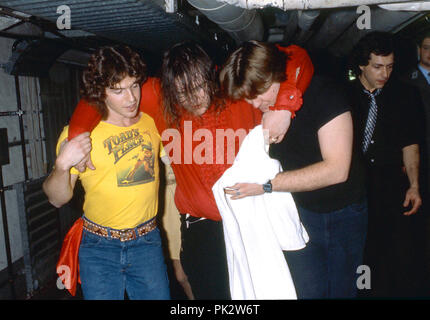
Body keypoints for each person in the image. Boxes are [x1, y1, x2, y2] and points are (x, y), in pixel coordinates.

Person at [66, 41, 313, 299]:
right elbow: (96, 95)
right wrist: (77, 137)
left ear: (211, 76)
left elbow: (298, 56)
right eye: (182, 92)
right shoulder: (161, 98)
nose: (193, 98)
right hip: (202, 229)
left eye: (198, 87)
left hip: (252, 218)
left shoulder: (233, 86)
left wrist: (285, 106)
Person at [221, 40, 368, 299]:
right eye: (248, 97)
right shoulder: (268, 107)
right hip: (301, 213)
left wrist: (267, 186)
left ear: (274, 75)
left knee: (342, 291)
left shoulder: (325, 94)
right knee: (306, 292)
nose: (254, 104)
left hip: (343, 212)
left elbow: (336, 170)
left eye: (257, 94)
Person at [43, 45, 170, 300]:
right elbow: (57, 198)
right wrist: (62, 165)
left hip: (147, 243)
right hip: (99, 247)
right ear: (100, 92)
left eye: (134, 85)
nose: (131, 98)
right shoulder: (76, 136)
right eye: (118, 90)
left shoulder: (151, 121)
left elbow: (176, 165)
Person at [348, 31, 423, 297]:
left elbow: (410, 144)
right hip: (351, 183)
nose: (385, 74)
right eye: (378, 67)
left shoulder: (405, 95)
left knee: (395, 255)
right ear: (361, 65)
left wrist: (414, 185)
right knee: (358, 253)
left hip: (390, 183)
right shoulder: (342, 96)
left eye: (390, 66)